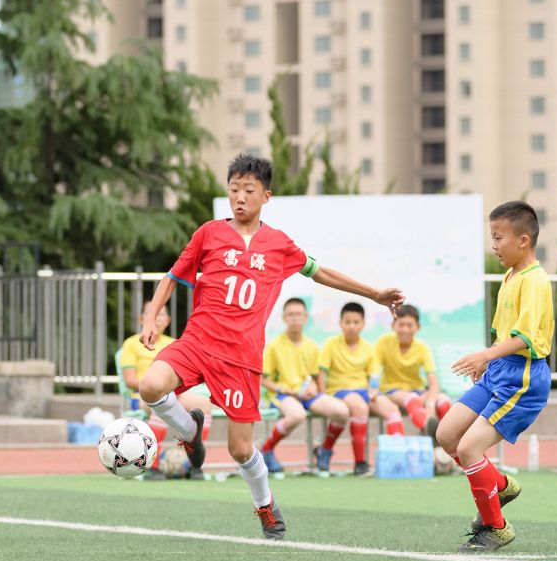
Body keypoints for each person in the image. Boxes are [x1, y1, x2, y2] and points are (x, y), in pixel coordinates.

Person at [138, 154, 404, 539]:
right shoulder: (209, 233)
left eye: (249, 190)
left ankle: (265, 505)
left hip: (240, 358)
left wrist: (374, 293)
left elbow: (321, 272)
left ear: (266, 196)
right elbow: (172, 276)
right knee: (150, 386)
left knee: (240, 450)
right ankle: (189, 431)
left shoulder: (279, 245)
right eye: (234, 190)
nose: (239, 197)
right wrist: (150, 318)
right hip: (197, 341)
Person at [437, 201, 553, 552]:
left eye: (498, 237)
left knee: (470, 447)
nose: (494, 245)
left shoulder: (535, 281)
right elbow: (505, 334)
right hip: (500, 371)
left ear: (523, 240)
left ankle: (496, 527)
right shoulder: (510, 276)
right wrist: (488, 361)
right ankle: (499, 486)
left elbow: (526, 339)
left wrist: (485, 355)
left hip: (523, 378)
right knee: (447, 435)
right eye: (492, 237)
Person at [118, 303, 210, 480]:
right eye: (152, 314)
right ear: (142, 319)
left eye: (162, 315)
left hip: (175, 392)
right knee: (160, 403)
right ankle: (152, 465)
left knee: (204, 405)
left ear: (168, 320)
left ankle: (194, 461)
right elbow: (129, 380)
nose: (157, 319)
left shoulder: (175, 343)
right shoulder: (131, 344)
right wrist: (157, 385)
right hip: (143, 396)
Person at [259, 297, 349, 475]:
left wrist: (315, 388)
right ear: (284, 318)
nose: (295, 318)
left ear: (306, 317)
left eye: (299, 314)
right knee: (297, 415)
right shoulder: (274, 346)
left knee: (342, 411)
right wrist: (281, 389)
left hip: (307, 395)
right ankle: (266, 450)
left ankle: (324, 450)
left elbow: (315, 376)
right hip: (283, 395)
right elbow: (263, 379)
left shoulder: (312, 346)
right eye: (291, 315)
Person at [315, 302, 405, 476]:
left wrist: (373, 391)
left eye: (356, 322)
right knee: (360, 407)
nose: (351, 326)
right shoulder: (330, 344)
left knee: (392, 409)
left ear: (363, 324)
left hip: (364, 390)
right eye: (347, 322)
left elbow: (374, 375)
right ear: (340, 323)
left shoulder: (368, 347)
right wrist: (323, 394)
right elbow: (321, 371)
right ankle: (360, 463)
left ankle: (398, 458)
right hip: (339, 390)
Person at [376, 304, 452, 439]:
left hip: (418, 390)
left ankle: (448, 440)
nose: (405, 329)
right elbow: (373, 371)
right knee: (412, 399)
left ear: (418, 327)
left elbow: (433, 382)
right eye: (401, 325)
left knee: (443, 401)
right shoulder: (383, 342)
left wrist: (430, 404)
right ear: (393, 325)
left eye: (409, 325)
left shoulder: (422, 347)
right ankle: (433, 435)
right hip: (391, 390)